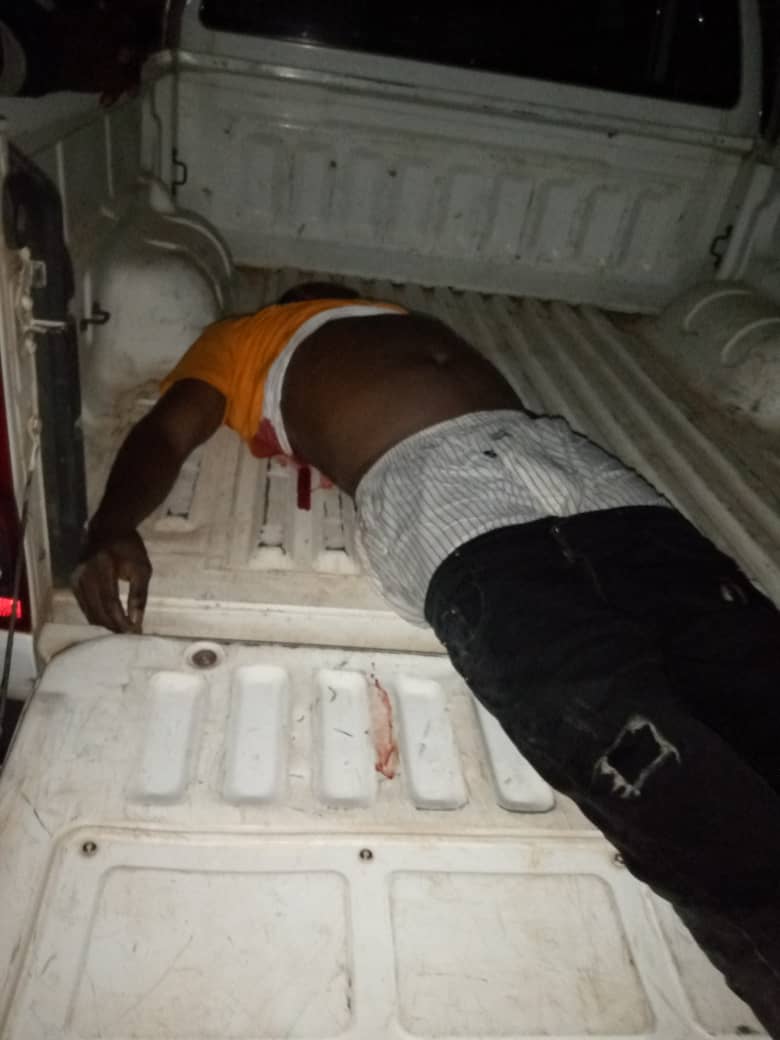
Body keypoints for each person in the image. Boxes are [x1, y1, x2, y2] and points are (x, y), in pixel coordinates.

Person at [72, 283, 780, 1035]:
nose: (327, 284)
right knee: (652, 765)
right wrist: (110, 526)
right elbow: (166, 432)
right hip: (447, 503)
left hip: (591, 478)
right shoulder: (243, 338)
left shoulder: (393, 315)